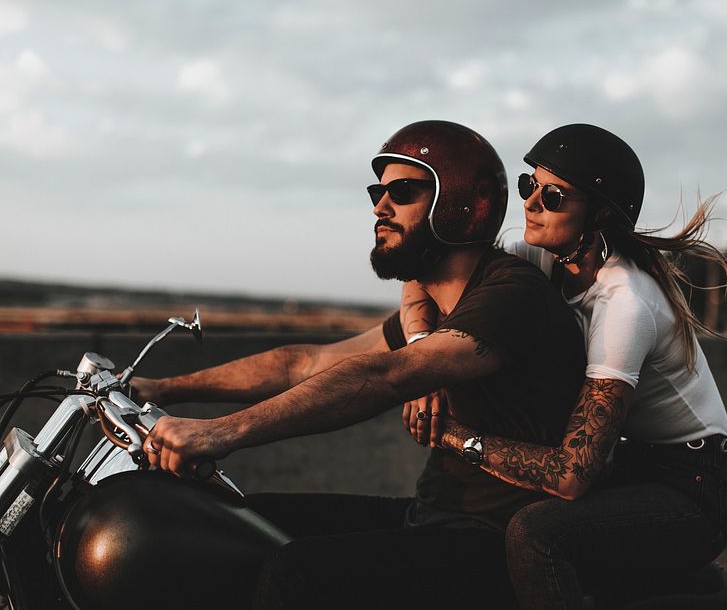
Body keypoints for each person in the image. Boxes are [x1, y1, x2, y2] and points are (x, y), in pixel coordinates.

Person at [131, 120, 587, 608]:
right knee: (235, 520)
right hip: (431, 516)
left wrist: (220, 434)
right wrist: (162, 388)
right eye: (378, 190)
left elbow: (382, 377)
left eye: (402, 191)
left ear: (456, 204)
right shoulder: (436, 306)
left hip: (488, 544)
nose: (379, 206)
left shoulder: (510, 294)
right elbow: (305, 362)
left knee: (298, 574)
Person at [400, 123, 727, 608]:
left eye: (554, 196)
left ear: (599, 213)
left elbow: (571, 472)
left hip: (690, 487)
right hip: (627, 465)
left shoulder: (624, 301)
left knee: (535, 533)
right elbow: (425, 267)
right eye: (528, 185)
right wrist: (421, 359)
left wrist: (453, 434)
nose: (531, 203)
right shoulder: (534, 257)